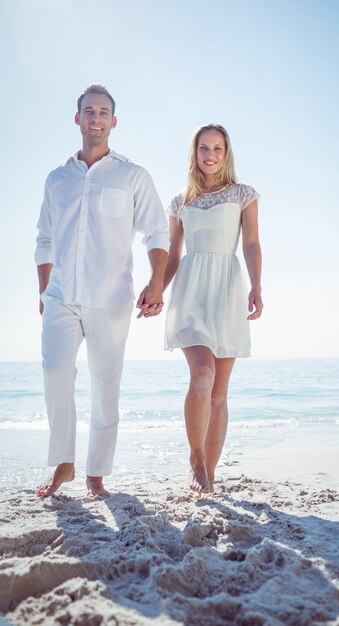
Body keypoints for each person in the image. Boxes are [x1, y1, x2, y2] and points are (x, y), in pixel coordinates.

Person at [34, 84, 169, 498]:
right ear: (77, 119)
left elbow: (157, 230)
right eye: (89, 111)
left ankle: (96, 474)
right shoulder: (57, 179)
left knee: (105, 385)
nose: (96, 118)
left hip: (111, 298)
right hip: (60, 297)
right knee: (55, 372)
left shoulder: (133, 176)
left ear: (114, 121)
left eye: (104, 112)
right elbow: (43, 239)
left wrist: (156, 281)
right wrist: (44, 291)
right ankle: (64, 464)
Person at [163, 124, 263, 494]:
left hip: (226, 291)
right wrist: (157, 285)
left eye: (218, 149)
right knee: (202, 375)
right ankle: (195, 459)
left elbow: (251, 243)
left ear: (227, 152)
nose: (211, 155)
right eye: (204, 148)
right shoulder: (180, 201)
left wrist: (256, 286)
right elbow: (173, 253)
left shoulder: (243, 194)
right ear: (195, 152)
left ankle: (209, 474)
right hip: (191, 291)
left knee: (219, 392)